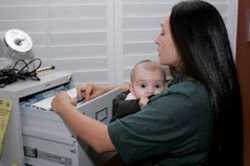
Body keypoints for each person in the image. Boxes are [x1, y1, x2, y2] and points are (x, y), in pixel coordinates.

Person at [51, 0, 243, 165]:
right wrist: (108, 89)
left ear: (185, 40)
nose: (156, 40)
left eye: (163, 33)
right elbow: (163, 93)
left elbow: (102, 141)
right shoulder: (199, 84)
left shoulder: (185, 100)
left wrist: (62, 105)